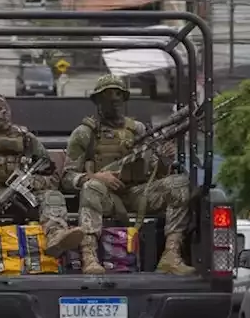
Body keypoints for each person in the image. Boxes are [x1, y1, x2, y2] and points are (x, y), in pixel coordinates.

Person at [63, 74, 194, 276]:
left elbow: (155, 173)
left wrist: (164, 160)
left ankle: (171, 255)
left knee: (179, 184)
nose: (114, 100)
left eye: (118, 94)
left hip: (137, 193)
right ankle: (89, 256)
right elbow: (67, 177)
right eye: (107, 95)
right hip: (104, 197)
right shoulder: (84, 133)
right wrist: (97, 178)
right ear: (97, 101)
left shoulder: (139, 130)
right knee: (92, 187)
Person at [0, 92, 77, 259]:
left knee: (53, 197)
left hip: (23, 193)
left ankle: (56, 237)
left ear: (8, 110)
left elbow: (52, 174)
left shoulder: (27, 139)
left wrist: (32, 182)